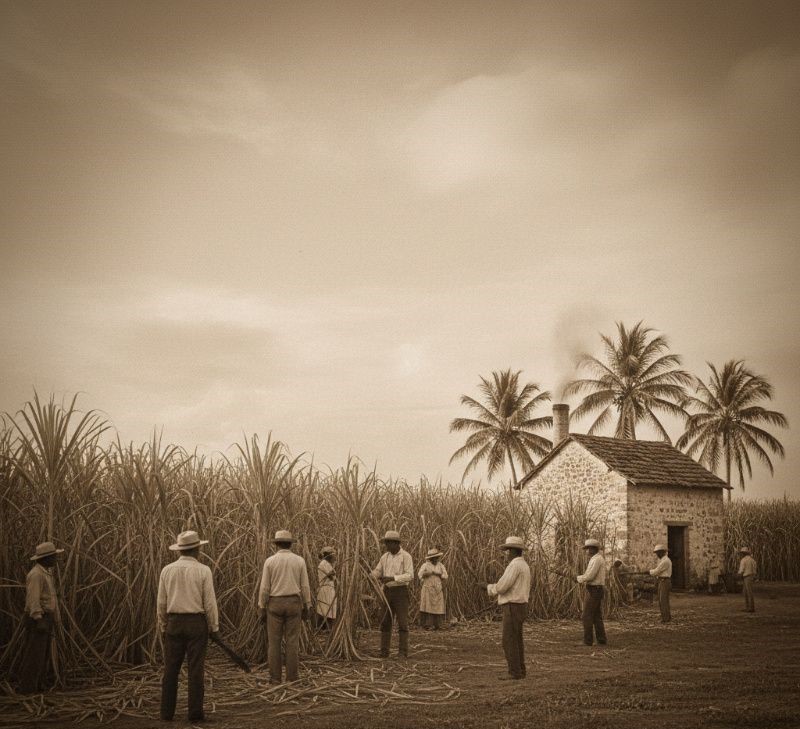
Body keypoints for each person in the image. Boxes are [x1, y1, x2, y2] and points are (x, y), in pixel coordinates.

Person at [157, 530, 219, 723]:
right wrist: (214, 627)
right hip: (196, 624)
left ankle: (166, 713)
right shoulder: (203, 570)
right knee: (195, 669)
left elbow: (161, 603)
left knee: (171, 670)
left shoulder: (167, 570)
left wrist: (163, 625)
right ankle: (195, 714)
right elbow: (209, 603)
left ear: (180, 550)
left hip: (174, 623)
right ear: (197, 549)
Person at [258, 530, 311, 683]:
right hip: (294, 604)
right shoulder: (299, 561)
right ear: (290, 544)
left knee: (274, 642)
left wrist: (262, 606)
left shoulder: (270, 561)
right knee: (292, 642)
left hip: (275, 604)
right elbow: (305, 586)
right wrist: (307, 605)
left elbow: (265, 588)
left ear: (276, 544)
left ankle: (275, 678)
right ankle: (292, 678)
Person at [478, 536, 531, 680]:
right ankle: (520, 670)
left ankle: (515, 672)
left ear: (514, 551)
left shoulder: (514, 565)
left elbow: (502, 587)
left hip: (512, 606)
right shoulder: (524, 565)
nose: (506, 553)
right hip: (520, 606)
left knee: (508, 640)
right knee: (516, 639)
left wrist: (487, 587)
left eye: (508, 550)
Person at [17, 541, 64, 694]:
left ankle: (37, 685)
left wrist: (54, 618)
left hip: (45, 618)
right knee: (34, 655)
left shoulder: (45, 572)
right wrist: (39, 619)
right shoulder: (36, 575)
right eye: (53, 557)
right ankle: (27, 689)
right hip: (38, 619)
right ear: (46, 558)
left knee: (41, 654)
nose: (56, 560)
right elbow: (33, 599)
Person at [371, 530, 413, 658]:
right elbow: (377, 571)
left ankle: (403, 652)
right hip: (387, 592)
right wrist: (370, 576)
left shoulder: (406, 556)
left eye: (388, 543)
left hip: (400, 592)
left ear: (396, 543)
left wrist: (392, 578)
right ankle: (384, 651)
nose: (387, 546)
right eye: (386, 543)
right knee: (385, 622)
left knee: (402, 623)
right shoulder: (385, 557)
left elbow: (409, 575)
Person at [576, 538, 607, 646]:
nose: (587, 551)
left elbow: (590, 576)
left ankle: (588, 640)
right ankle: (601, 639)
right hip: (595, 589)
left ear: (593, 549)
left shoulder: (597, 559)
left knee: (586, 615)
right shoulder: (596, 558)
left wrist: (579, 579)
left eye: (588, 548)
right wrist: (581, 578)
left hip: (595, 590)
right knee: (596, 615)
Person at [418, 548, 448, 630]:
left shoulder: (440, 565)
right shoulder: (425, 565)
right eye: (434, 558)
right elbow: (419, 575)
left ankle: (438, 625)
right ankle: (428, 625)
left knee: (438, 606)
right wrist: (426, 574)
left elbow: (445, 576)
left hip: (437, 588)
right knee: (428, 606)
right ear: (430, 558)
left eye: (437, 557)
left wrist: (438, 574)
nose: (435, 559)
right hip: (428, 587)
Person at [315, 547, 337, 630]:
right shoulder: (324, 563)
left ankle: (325, 629)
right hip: (326, 589)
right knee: (324, 609)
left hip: (328, 589)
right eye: (333, 555)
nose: (334, 557)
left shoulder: (326, 564)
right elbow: (332, 576)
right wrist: (334, 567)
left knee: (328, 609)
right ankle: (323, 629)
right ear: (328, 555)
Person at [650, 544, 672, 623]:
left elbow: (656, 571)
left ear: (662, 552)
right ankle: (666, 616)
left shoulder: (665, 561)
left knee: (663, 600)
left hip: (664, 581)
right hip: (662, 581)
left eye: (658, 553)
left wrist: (649, 572)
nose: (657, 555)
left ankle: (666, 618)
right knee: (662, 600)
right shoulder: (663, 560)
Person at [738, 547, 757, 613]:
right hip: (751, 576)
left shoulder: (743, 560)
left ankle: (750, 607)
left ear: (743, 553)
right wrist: (754, 575)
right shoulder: (752, 560)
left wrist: (739, 575)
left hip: (746, 576)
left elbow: (741, 569)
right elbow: (754, 569)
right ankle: (749, 607)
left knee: (747, 592)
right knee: (748, 591)